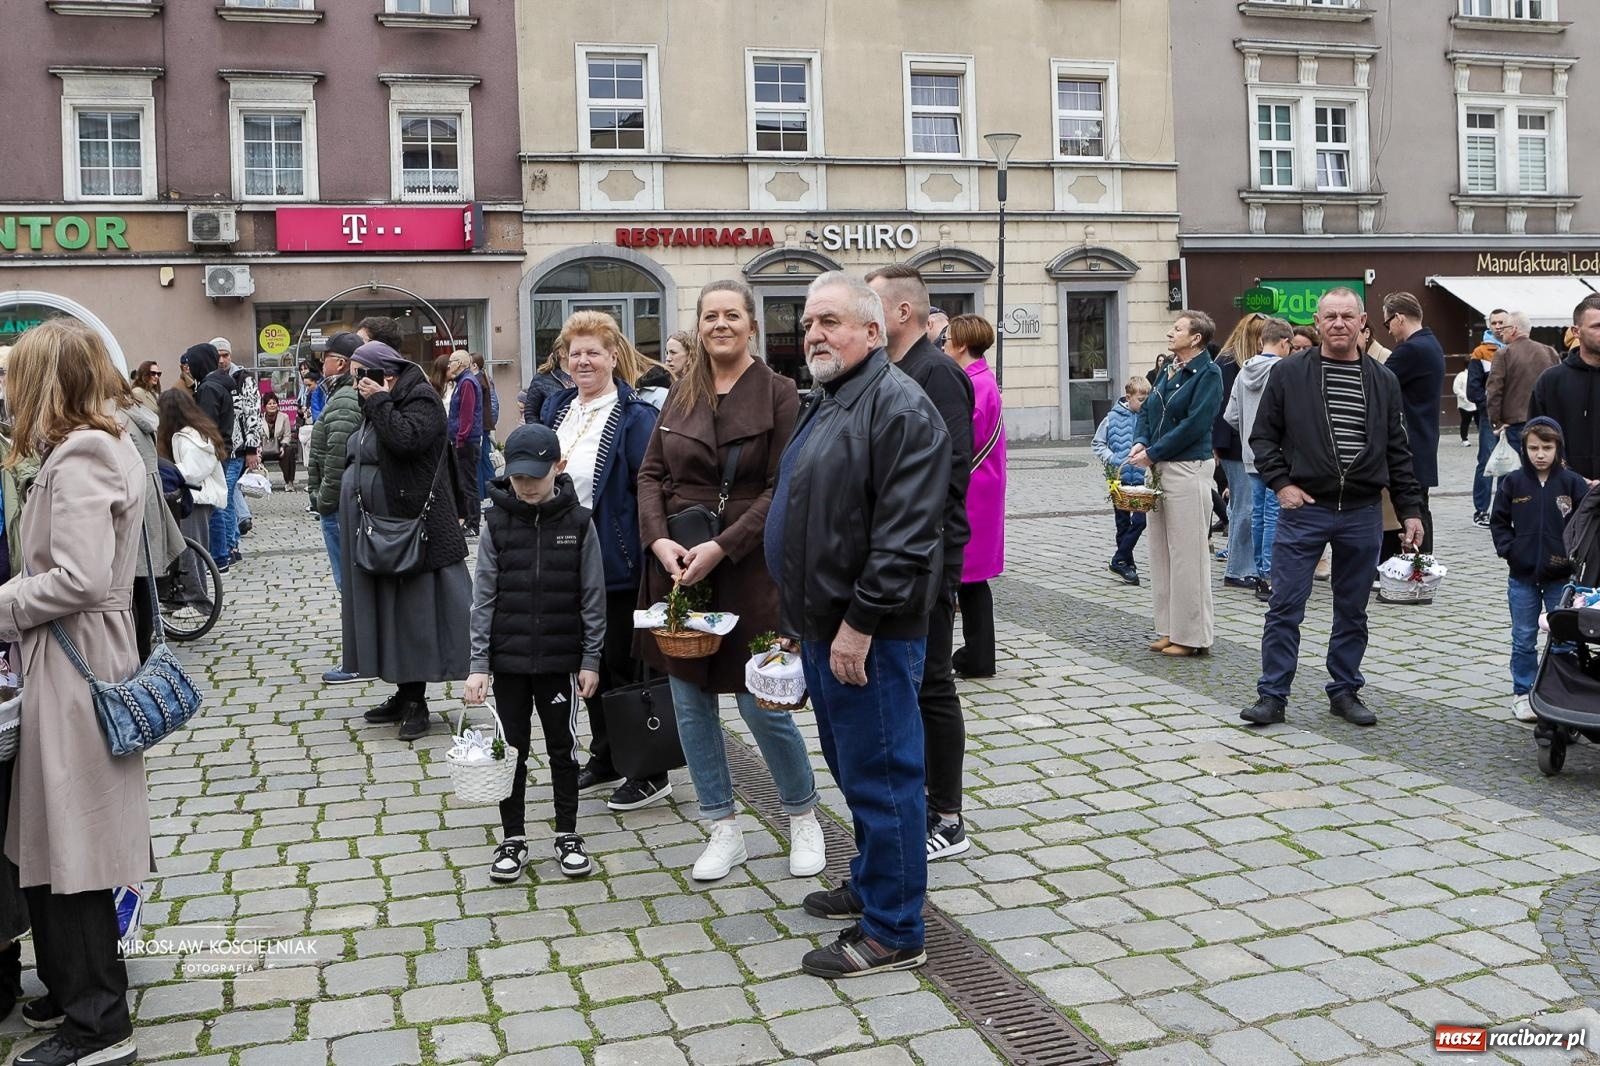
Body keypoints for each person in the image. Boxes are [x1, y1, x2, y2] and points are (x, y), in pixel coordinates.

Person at [767, 271, 949, 979]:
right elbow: (809, 515)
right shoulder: (832, 397)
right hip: (824, 624)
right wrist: (796, 619)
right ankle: (875, 884)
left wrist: (858, 625)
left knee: (884, 778)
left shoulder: (899, 408)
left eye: (831, 321)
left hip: (867, 633)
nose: (814, 333)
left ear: (874, 332)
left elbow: (904, 537)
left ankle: (896, 930)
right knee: (854, 769)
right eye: (809, 322)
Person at [636, 279, 824, 883]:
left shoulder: (779, 393)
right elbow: (649, 474)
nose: (721, 324)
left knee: (762, 701)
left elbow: (784, 487)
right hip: (681, 564)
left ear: (751, 325)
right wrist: (658, 538)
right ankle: (722, 826)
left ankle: (802, 816)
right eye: (710, 316)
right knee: (690, 704)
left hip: (751, 561)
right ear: (699, 324)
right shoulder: (680, 391)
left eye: (732, 315)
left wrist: (723, 546)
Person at [0, 318, 151, 1066]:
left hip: (74, 658)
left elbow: (79, 578)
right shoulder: (101, 441)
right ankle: (70, 990)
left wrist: (3, 603)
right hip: (77, 653)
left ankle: (98, 1024)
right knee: (59, 832)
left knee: (77, 839)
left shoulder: (84, 451)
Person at [1242, 288, 1424, 728]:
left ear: (1363, 321)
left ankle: (1344, 691)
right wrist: (1281, 484)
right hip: (1305, 508)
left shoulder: (1383, 379)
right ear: (1317, 322)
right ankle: (1273, 695)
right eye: (1330, 316)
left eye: (1347, 316)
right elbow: (1262, 437)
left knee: (1352, 608)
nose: (1339, 323)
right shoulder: (1289, 373)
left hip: (1362, 510)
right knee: (1285, 604)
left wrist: (1411, 510)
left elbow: (1398, 451)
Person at [865, 264, 975, 861]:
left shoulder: (938, 373)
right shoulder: (888, 370)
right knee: (908, 685)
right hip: (896, 553)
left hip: (928, 556)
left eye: (871, 302)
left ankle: (949, 816)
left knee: (933, 683)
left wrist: (943, 566)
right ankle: (916, 802)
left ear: (902, 312)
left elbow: (950, 475)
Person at [465, 424, 607, 881]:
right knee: (512, 751)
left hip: (559, 663)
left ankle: (567, 832)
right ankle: (513, 837)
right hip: (507, 663)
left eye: (536, 478)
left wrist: (590, 659)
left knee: (562, 749)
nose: (526, 487)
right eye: (519, 478)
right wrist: (478, 665)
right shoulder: (496, 522)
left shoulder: (580, 523)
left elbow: (593, 597)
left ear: (559, 468)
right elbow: (484, 594)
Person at [539, 313, 662, 811]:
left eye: (593, 352)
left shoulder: (634, 415)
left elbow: (650, 488)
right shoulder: (558, 405)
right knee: (584, 661)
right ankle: (608, 754)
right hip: (563, 558)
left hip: (615, 558)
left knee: (620, 663)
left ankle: (649, 768)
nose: (583, 360)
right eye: (575, 353)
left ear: (614, 356)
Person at [343, 341, 471, 742]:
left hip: (415, 531)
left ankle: (417, 701)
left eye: (360, 373)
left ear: (386, 374)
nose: (355, 381)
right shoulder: (384, 399)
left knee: (415, 615)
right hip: (383, 530)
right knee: (390, 611)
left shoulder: (421, 401)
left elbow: (405, 441)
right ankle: (403, 692)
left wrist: (380, 401)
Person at [1129, 311, 1224, 658]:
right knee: (1161, 552)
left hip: (1187, 467)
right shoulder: (1169, 370)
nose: (1171, 333)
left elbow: (1196, 425)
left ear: (1196, 338)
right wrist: (1141, 441)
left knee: (1188, 555)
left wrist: (1153, 452)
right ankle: (1169, 628)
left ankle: (1193, 635)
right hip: (1159, 466)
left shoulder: (1208, 374)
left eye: (1178, 329)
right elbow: (1148, 411)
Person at [1489, 417, 1589, 723]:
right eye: (1533, 448)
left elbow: (1585, 524)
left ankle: (1562, 691)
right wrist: (1510, 550)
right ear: (1524, 448)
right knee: (1523, 636)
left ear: (1558, 448)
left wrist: (1575, 557)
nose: (1540, 454)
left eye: (1547, 447)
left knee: (1565, 637)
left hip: (1562, 577)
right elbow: (1499, 522)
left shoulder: (1572, 483)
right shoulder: (1513, 482)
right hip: (1522, 575)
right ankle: (1524, 692)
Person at [945, 314, 1004, 680]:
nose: (943, 344)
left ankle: (979, 656)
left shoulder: (974, 385)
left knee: (969, 577)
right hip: (981, 486)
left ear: (962, 345)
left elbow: (960, 441)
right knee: (970, 578)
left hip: (973, 490)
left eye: (948, 339)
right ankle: (977, 654)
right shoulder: (980, 379)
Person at [307, 332, 364, 685]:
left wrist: (323, 500)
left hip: (338, 507)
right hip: (337, 505)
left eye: (325, 356)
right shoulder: (338, 394)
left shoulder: (343, 400)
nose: (321, 362)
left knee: (350, 586)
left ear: (340, 362)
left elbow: (335, 459)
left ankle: (357, 659)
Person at [1224, 317, 1292, 604]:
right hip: (1277, 454)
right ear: (1285, 342)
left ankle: (1259, 571)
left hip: (1250, 454)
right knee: (1274, 514)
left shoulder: (1244, 371)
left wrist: (1249, 432)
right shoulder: (1283, 370)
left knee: (1258, 514)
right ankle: (1269, 574)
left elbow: (1230, 416)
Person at [1380, 292, 1445, 556]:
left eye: (1387, 324)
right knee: (1419, 506)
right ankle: (1421, 565)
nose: (1389, 330)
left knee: (1413, 509)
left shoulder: (1411, 349)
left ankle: (1419, 568)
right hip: (1424, 437)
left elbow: (1376, 382)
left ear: (1399, 318)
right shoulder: (1431, 343)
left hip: (1411, 442)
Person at [157, 388, 229, 622]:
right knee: (183, 549)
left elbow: (192, 472)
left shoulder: (193, 439)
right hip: (190, 498)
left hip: (197, 499)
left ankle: (197, 600)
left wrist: (167, 472)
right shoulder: (191, 434)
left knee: (191, 550)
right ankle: (180, 596)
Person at [1214, 314, 1264, 591]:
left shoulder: (1236, 362)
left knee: (1243, 508)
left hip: (1239, 445)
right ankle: (1238, 568)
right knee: (1245, 508)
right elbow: (1222, 409)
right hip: (1235, 447)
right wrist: (1219, 446)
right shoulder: (1229, 363)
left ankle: (1243, 564)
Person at [1529, 295, 1600, 481]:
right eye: (1596, 326)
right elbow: (1536, 438)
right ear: (1576, 331)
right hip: (1565, 489)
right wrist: (1566, 476)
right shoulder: (1551, 381)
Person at [1092, 376, 1152, 587]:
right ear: (1129, 397)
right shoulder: (1111, 418)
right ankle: (1128, 565)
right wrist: (1113, 459)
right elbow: (1098, 443)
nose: (1145, 403)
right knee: (1123, 523)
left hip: (1141, 479)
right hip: (1118, 478)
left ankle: (1119, 558)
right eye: (1141, 399)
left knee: (1140, 521)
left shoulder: (1148, 417)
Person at [181, 343, 236, 569]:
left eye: (191, 364)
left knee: (211, 504)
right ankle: (221, 555)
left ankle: (219, 557)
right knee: (216, 502)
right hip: (220, 446)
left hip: (211, 450)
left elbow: (206, 424)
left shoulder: (207, 388)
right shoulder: (216, 384)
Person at [1487, 310, 1560, 455]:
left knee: (1511, 472)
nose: (1501, 332)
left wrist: (1496, 423)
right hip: (1545, 422)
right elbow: (1559, 388)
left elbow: (1494, 390)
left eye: (1504, 328)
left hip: (1514, 423)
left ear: (1513, 329)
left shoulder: (1503, 354)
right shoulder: (1550, 352)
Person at [1469, 318, 1504, 527]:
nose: (1498, 326)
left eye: (1502, 322)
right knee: (1487, 462)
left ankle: (1504, 510)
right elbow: (1473, 389)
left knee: (1510, 465)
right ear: (1489, 325)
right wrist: (1489, 407)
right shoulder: (1481, 352)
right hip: (1489, 417)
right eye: (1494, 322)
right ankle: (1481, 510)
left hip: (1514, 417)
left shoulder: (1516, 349)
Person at [445, 351, 483, 537]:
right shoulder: (463, 381)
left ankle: (472, 523)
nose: (449, 365)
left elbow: (466, 414)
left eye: (451, 362)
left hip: (466, 442)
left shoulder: (467, 383)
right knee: (465, 482)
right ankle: (469, 520)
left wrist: (460, 437)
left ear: (460, 363)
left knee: (468, 483)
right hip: (464, 440)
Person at [471, 351, 500, 506]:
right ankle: (488, 495)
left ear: (474, 365)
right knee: (483, 459)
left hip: (481, 426)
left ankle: (488, 495)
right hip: (484, 425)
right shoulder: (484, 379)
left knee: (482, 460)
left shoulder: (477, 381)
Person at [522, 343, 574, 426]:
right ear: (562, 352)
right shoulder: (542, 378)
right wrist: (543, 435)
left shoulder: (584, 377)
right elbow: (531, 413)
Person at [262, 395, 296, 488]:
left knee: (289, 451)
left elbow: (287, 436)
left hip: (279, 446)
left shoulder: (284, 417)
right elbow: (256, 436)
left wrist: (283, 447)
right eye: (269, 404)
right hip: (263, 447)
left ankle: (289, 482)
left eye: (274, 403)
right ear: (265, 406)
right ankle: (259, 483)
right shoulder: (259, 418)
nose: (272, 405)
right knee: (253, 454)